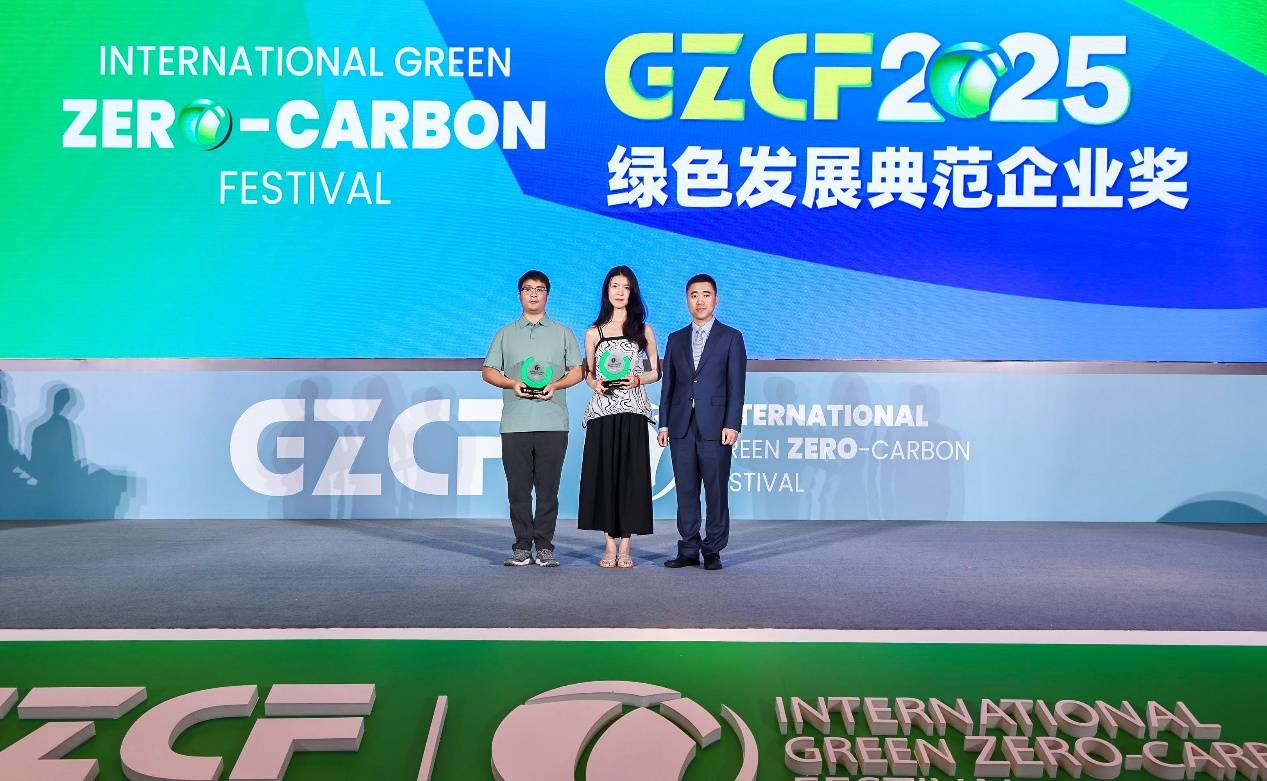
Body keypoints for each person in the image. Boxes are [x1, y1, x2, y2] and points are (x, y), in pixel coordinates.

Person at [482, 270, 584, 567]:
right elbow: (488, 371)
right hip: (515, 423)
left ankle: (545, 546)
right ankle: (522, 546)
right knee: (518, 489)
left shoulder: (563, 332)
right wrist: (511, 383)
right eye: (528, 289)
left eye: (540, 289)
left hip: (553, 422)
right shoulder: (505, 333)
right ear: (520, 295)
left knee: (548, 490)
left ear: (547, 294)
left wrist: (557, 385)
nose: (534, 294)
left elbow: (578, 371)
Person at [658, 274, 746, 571]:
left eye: (706, 295)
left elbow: (736, 385)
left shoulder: (731, 337)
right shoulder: (675, 339)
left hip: (717, 426)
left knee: (716, 490)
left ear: (715, 300)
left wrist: (732, 423)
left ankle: (713, 549)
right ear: (687, 300)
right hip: (681, 426)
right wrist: (664, 424)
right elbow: (668, 386)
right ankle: (688, 548)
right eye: (694, 295)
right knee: (686, 490)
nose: (700, 301)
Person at [578, 266, 660, 568]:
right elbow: (588, 373)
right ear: (607, 291)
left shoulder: (644, 330)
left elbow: (656, 372)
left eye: (626, 287)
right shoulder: (593, 332)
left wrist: (639, 380)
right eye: (615, 286)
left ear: (632, 292)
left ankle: (626, 545)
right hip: (603, 412)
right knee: (605, 478)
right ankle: (608, 545)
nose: (620, 292)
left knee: (630, 479)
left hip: (633, 411)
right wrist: (594, 384)